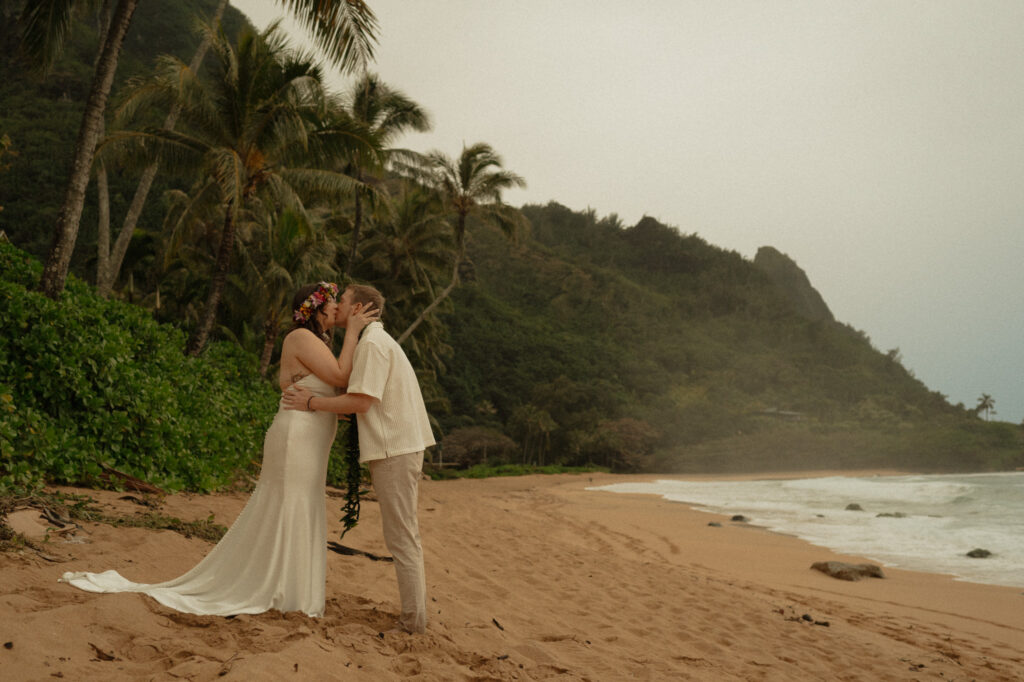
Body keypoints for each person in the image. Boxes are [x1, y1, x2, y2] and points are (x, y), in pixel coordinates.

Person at [61, 282, 379, 617]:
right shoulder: (300, 337)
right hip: (296, 437)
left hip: (311, 438)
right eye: (331, 302)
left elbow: (338, 388)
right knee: (290, 505)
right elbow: (340, 375)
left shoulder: (319, 342)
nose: (336, 307)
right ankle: (279, 588)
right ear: (315, 309)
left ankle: (289, 587)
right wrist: (353, 331)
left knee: (301, 504)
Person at [282, 283, 435, 634]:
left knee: (401, 537)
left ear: (357, 309)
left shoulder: (372, 345)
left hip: (395, 449)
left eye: (343, 301)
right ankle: (414, 618)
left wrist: (311, 403)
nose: (335, 307)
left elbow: (361, 403)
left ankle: (413, 623)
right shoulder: (371, 342)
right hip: (397, 447)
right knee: (402, 535)